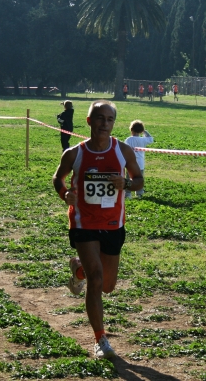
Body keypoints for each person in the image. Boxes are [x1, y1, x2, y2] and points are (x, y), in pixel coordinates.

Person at [52, 100, 143, 360]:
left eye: (110, 119)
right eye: (100, 118)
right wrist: (65, 193)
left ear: (114, 123)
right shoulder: (74, 153)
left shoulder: (123, 151)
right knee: (96, 278)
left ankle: (77, 269)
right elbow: (57, 177)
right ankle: (100, 339)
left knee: (108, 285)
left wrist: (125, 182)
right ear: (89, 121)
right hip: (84, 222)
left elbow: (139, 181)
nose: (105, 123)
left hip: (113, 223)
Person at [124, 120, 154, 199]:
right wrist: (144, 131)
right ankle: (139, 193)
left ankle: (128, 194)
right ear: (140, 131)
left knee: (128, 178)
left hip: (130, 163)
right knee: (139, 179)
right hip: (140, 163)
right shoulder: (143, 140)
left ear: (131, 129)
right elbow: (151, 139)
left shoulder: (128, 140)